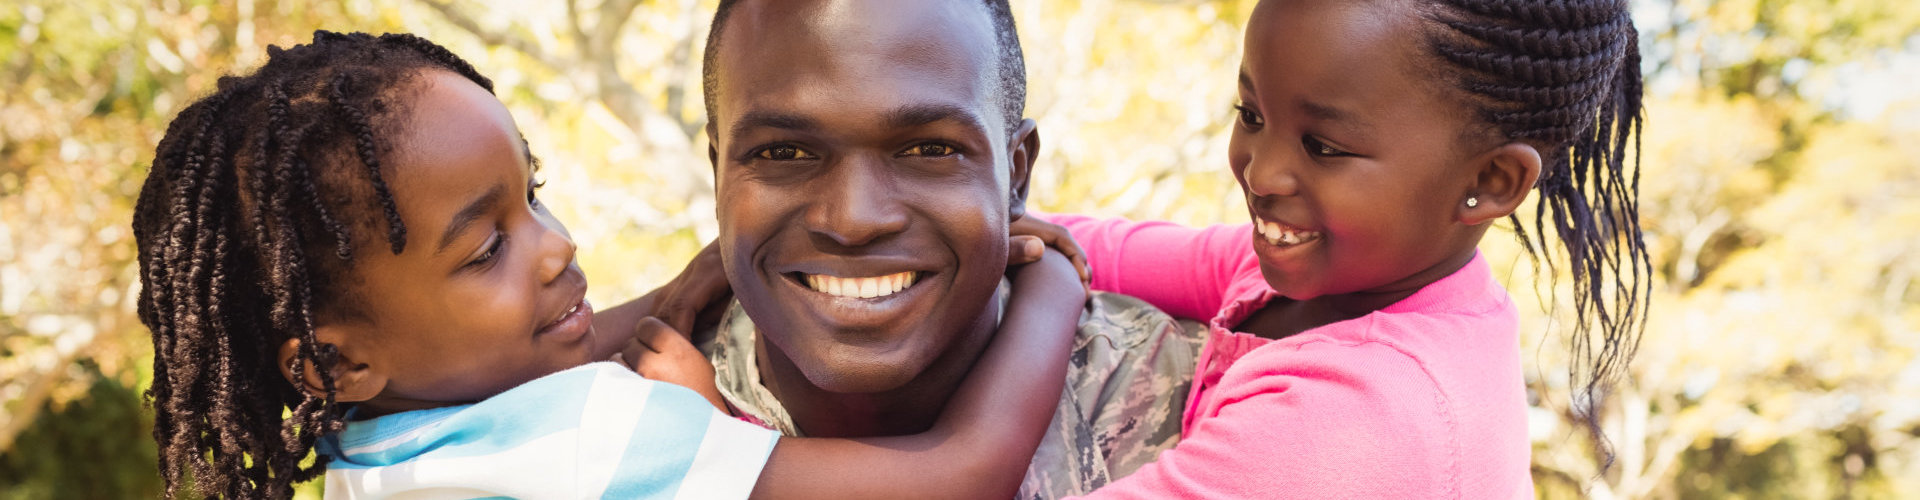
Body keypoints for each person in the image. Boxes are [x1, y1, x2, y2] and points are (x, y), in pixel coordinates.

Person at [132, 30, 1088, 500]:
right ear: (335, 364)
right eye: (489, 248)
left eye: (533, 193)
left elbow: (525, 361)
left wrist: (690, 285)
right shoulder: (601, 434)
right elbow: (961, 473)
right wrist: (1053, 286)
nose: (559, 246)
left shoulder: (373, 453)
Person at [1013, 0, 1651, 497]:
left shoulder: (1370, 417)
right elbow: (1116, 249)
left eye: (1324, 147)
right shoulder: (1341, 274)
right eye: (1252, 114)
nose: (1261, 173)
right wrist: (978, 219)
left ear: (1489, 181)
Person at [598, 1, 1207, 498]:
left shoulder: (1205, 406)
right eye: (783, 153)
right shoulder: (605, 423)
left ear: (1016, 175)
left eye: (928, 150)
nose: (854, 221)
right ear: (718, 170)